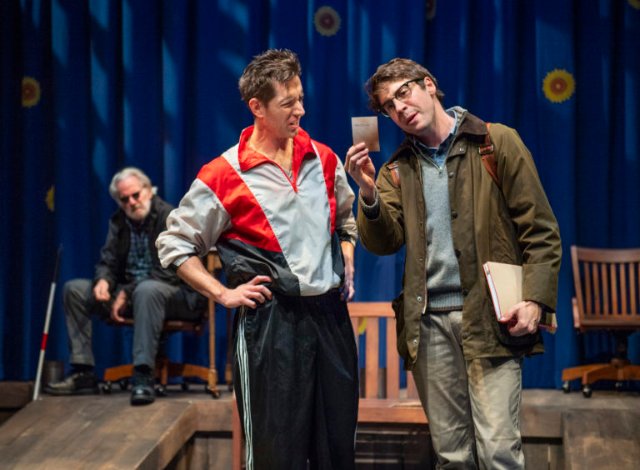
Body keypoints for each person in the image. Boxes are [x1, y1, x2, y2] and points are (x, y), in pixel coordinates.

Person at [345, 58, 561, 469]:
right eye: (389, 105)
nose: (400, 107)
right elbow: (384, 242)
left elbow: (541, 230)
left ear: (428, 84)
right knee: (452, 456)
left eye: (404, 92)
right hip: (428, 327)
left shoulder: (495, 143)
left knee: (498, 451)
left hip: (490, 320)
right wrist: (368, 193)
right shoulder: (396, 169)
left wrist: (535, 299)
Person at [156, 49, 359, 469]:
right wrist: (223, 294)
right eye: (288, 103)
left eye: (301, 99)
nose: (300, 110)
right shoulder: (224, 173)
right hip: (271, 325)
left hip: (330, 320)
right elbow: (173, 245)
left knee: (336, 450)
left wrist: (346, 255)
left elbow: (345, 220)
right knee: (274, 453)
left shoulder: (324, 158)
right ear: (257, 108)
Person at [45, 167, 206, 406]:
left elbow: (171, 269)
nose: (131, 202)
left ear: (148, 191)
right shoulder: (119, 222)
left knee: (147, 290)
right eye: (124, 199)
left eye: (135, 195)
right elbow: (107, 261)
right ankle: (83, 371)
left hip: (177, 295)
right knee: (75, 290)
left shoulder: (169, 217)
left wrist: (126, 292)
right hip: (131, 295)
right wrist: (104, 281)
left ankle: (143, 375)